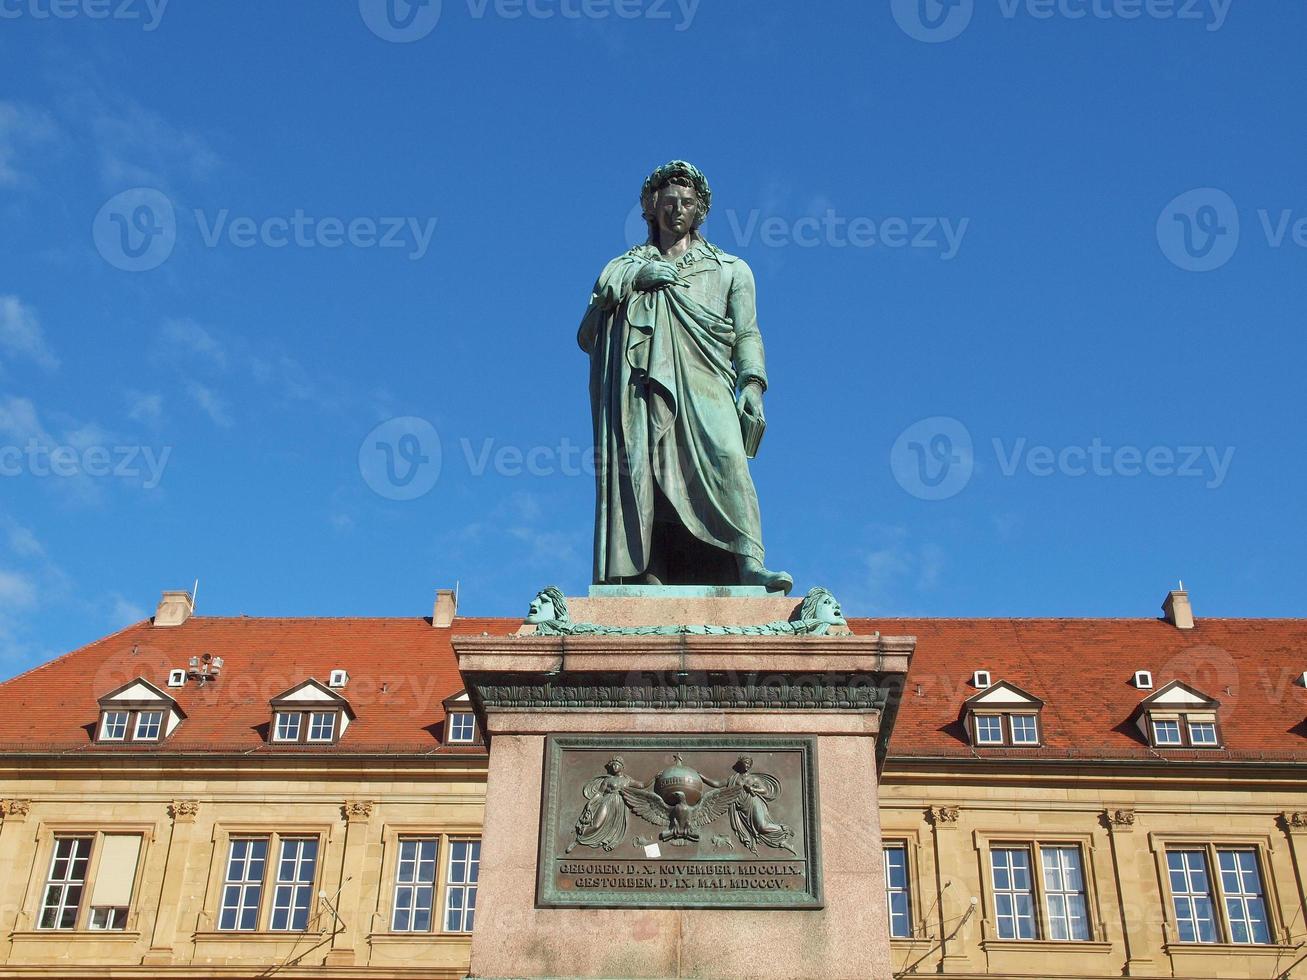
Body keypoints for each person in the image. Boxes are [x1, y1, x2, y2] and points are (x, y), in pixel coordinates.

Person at [578, 161, 792, 593]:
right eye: (669, 201)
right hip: (641, 391)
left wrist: (752, 385)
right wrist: (636, 279)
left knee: (728, 460)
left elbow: (748, 333)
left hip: (708, 382)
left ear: (700, 211)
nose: (678, 210)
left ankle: (748, 561)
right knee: (646, 471)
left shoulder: (732, 269)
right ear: (651, 208)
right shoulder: (623, 268)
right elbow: (587, 335)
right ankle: (645, 569)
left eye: (688, 203)